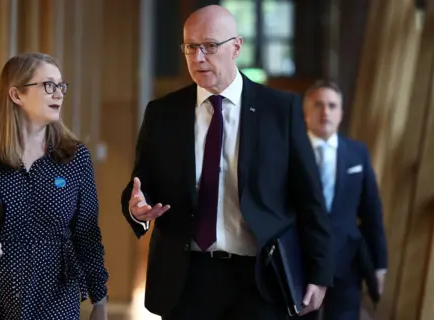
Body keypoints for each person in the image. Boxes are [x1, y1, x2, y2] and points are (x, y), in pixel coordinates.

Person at [121, 5, 334, 320]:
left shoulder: (280, 111)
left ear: (236, 47)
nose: (198, 58)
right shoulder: (163, 113)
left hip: (259, 278)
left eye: (209, 46)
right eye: (191, 47)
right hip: (186, 279)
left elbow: (310, 200)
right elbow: (141, 185)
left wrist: (319, 273)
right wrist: (136, 208)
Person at [0, 52, 109, 320]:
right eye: (48, 85)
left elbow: (87, 236)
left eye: (61, 86)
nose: (59, 94)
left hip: (56, 294)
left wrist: (100, 300)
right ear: (16, 95)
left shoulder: (75, 156)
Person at [301, 79, 388, 320]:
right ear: (306, 112)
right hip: (302, 260)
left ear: (341, 113)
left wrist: (380, 264)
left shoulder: (357, 152)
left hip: (347, 261)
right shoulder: (291, 152)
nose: (325, 111)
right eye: (318, 105)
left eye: (332, 105)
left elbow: (372, 211)